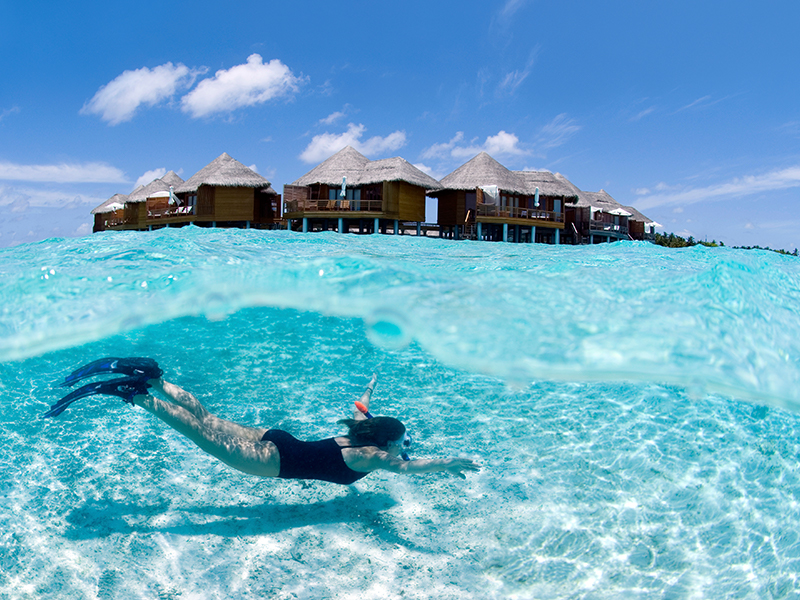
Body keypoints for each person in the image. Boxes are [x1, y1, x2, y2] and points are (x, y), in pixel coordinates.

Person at [44, 357, 480, 485]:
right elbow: (409, 467)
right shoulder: (372, 456)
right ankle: (135, 397)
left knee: (207, 417)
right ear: (387, 443)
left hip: (277, 438)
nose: (400, 449)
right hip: (273, 463)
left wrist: (370, 387)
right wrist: (448, 463)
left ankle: (157, 381)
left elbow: (361, 406)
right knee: (196, 431)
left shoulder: (360, 429)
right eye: (399, 443)